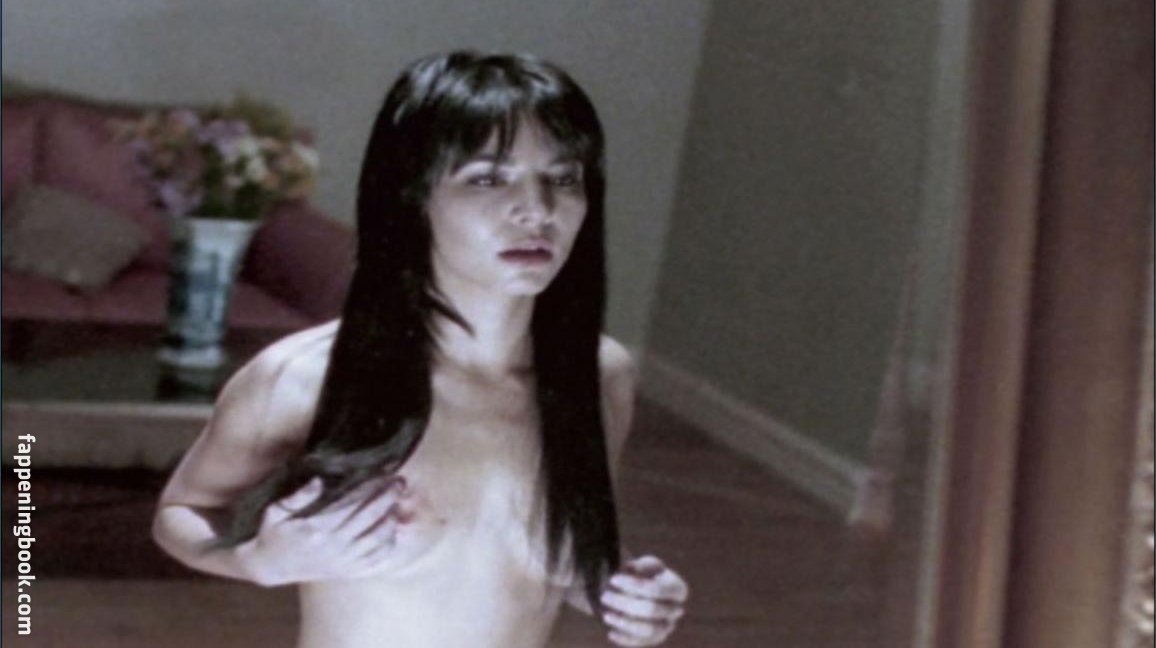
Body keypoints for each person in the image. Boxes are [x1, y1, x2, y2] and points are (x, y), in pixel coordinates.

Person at [152, 50, 689, 647]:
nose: (537, 210)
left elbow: (557, 557)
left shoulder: (599, 374)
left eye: (563, 179)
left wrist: (623, 594)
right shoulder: (305, 377)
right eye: (488, 178)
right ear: (413, 195)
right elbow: (183, 512)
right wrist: (258, 560)